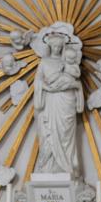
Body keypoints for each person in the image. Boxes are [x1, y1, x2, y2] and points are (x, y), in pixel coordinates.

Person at [34, 31, 84, 176]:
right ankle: (48, 168)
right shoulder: (44, 62)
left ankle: (67, 166)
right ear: (50, 45)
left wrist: (71, 84)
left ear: (63, 46)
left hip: (66, 101)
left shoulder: (68, 62)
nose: (56, 48)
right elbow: (38, 81)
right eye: (54, 45)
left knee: (66, 134)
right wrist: (46, 87)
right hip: (50, 101)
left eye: (59, 46)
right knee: (48, 133)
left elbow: (76, 81)